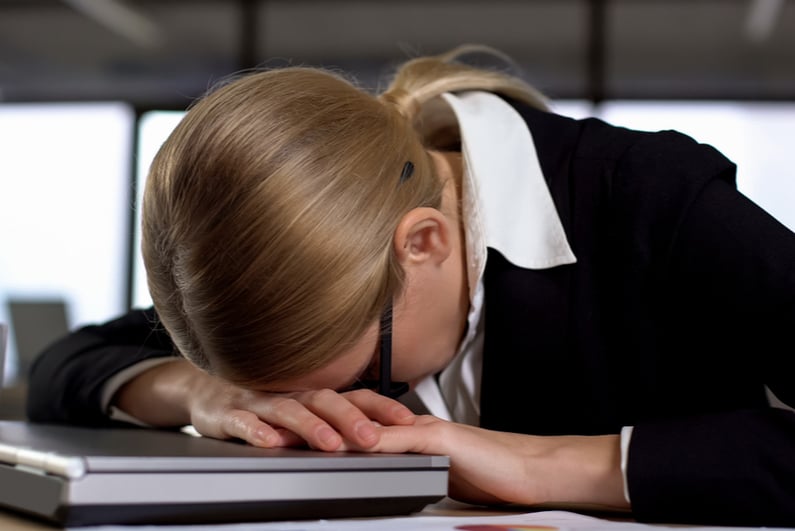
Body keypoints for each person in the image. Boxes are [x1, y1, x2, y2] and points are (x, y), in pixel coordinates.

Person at [27, 45, 795, 527]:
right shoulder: (322, 256)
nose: (348, 400)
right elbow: (67, 364)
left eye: (360, 371)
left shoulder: (647, 197)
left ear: (421, 242)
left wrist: (542, 465)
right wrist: (207, 394)